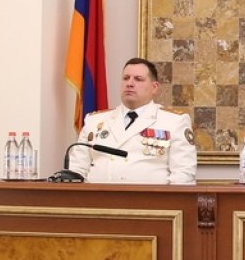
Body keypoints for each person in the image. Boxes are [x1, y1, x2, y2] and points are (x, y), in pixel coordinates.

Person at [67, 58, 197, 183]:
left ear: (154, 87)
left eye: (138, 79)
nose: (129, 83)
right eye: (126, 78)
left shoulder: (174, 122)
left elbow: (183, 175)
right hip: (96, 197)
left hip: (149, 197)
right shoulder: (94, 121)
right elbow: (76, 169)